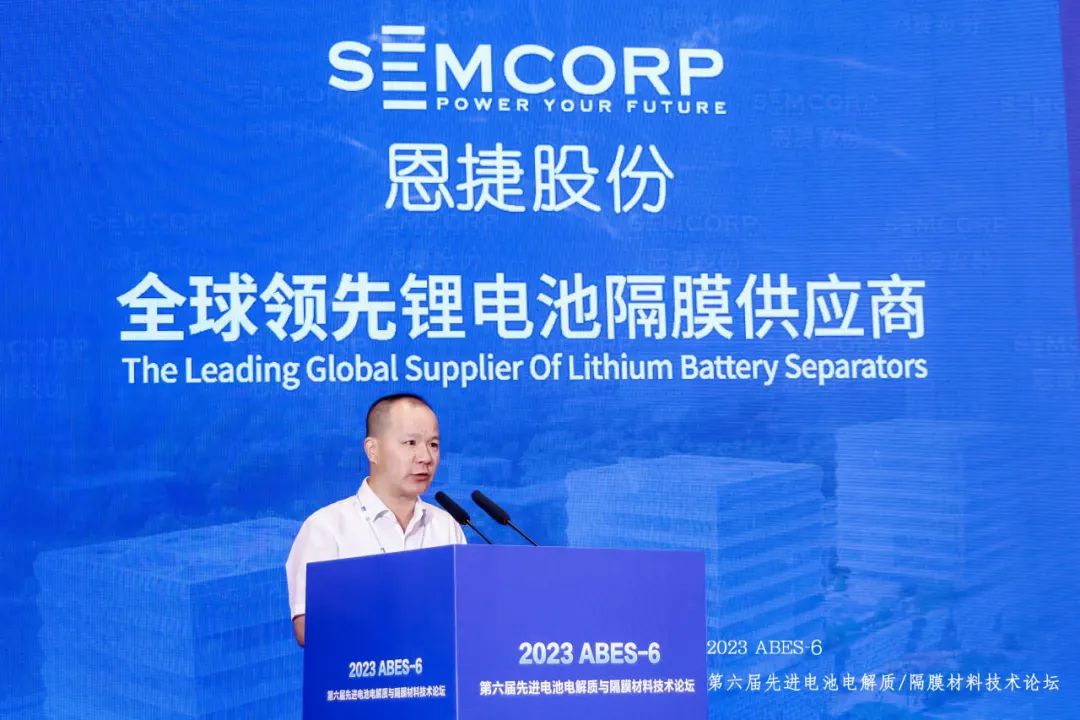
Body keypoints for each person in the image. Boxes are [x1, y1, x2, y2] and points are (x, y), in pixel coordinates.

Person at [285, 393, 466, 646]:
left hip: (435, 669)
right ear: (373, 450)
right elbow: (307, 628)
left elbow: (465, 616)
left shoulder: (446, 526)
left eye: (433, 445)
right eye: (410, 443)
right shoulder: (327, 527)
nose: (425, 457)